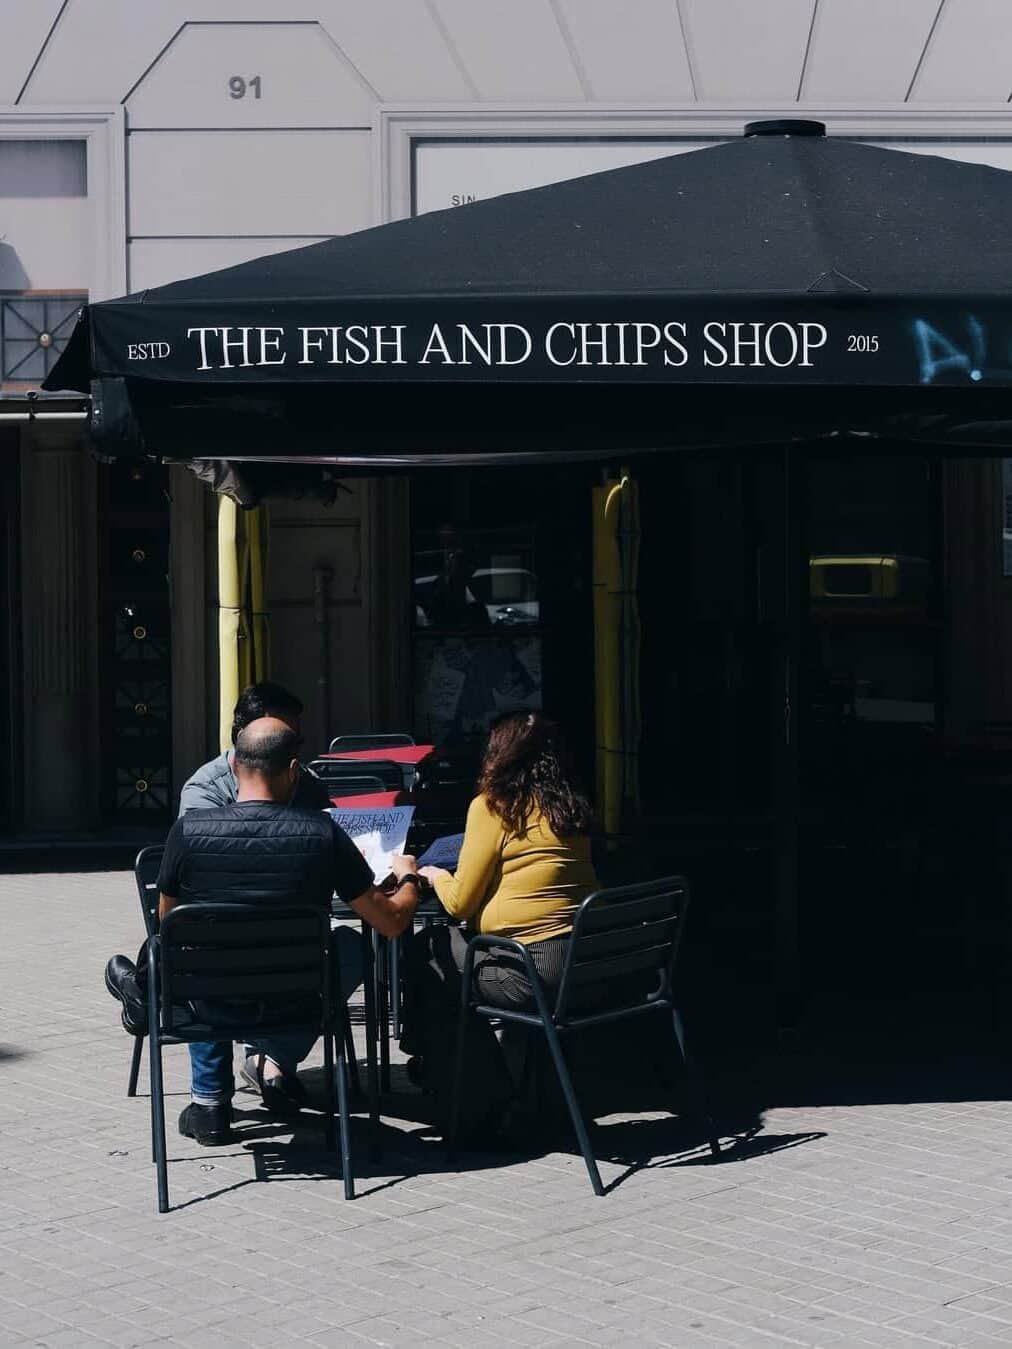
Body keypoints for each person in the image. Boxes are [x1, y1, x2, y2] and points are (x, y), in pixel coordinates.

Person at [105, 717, 421, 1147]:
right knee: (349, 942)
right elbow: (391, 922)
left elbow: (166, 924)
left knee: (194, 947)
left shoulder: (189, 832)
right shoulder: (321, 833)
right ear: (294, 769)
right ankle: (272, 1058)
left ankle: (209, 1101)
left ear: (234, 767)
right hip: (297, 1002)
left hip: (210, 1004)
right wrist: (409, 879)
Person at [399, 710, 598, 1141]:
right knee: (443, 953)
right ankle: (445, 1067)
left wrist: (428, 874)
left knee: (429, 952)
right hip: (586, 964)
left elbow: (458, 903)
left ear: (498, 754)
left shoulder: (493, 807)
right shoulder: (571, 806)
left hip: (531, 972)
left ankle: (475, 1101)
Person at [178, 680, 331, 815]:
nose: (287, 754)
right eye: (273, 743)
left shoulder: (307, 782)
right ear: (242, 740)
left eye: (294, 744)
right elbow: (199, 841)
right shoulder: (206, 791)